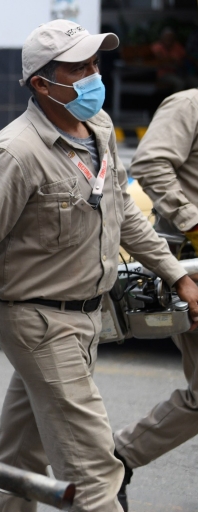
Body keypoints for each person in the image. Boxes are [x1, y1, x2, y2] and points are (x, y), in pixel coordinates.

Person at [0, 19, 198, 512]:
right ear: (41, 83)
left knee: (18, 459)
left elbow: (123, 216)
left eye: (95, 63)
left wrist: (177, 274)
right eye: (79, 68)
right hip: (38, 323)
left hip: (85, 318)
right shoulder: (16, 153)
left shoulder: (98, 129)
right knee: (96, 473)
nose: (94, 75)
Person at [114, 88, 198, 511]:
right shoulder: (190, 106)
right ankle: (119, 457)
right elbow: (149, 163)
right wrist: (193, 221)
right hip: (193, 267)